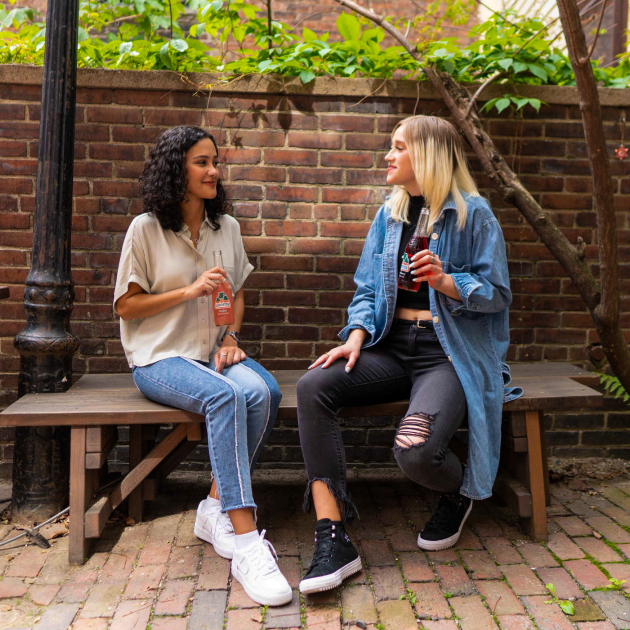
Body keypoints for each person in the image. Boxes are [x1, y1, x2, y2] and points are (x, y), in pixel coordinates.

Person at [295, 115, 522, 595]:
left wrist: (447, 282)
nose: (388, 155)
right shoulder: (390, 215)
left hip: (448, 354)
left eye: (398, 147)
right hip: (391, 347)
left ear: (428, 156)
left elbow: (498, 294)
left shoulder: (474, 215)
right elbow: (365, 288)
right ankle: (332, 535)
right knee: (313, 386)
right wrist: (357, 331)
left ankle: (460, 491)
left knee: (414, 454)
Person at [113, 126, 292, 607]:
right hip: (159, 357)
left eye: (215, 161)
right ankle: (247, 540)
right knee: (227, 394)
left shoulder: (226, 228)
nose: (214, 171)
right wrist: (189, 291)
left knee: (265, 392)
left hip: (212, 353)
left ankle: (213, 506)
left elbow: (237, 293)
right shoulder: (145, 229)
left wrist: (231, 337)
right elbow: (127, 307)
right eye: (201, 162)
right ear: (177, 169)